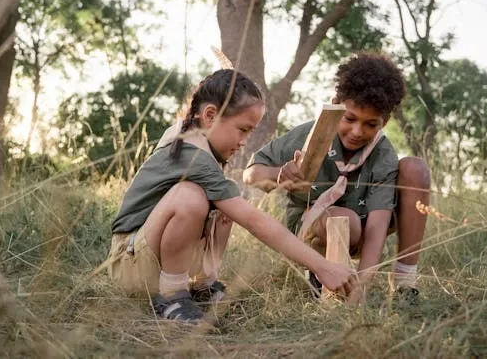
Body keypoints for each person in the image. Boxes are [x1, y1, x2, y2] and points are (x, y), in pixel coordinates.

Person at [107, 69, 356, 323]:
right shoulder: (192, 153)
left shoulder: (194, 135)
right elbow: (253, 220)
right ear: (210, 115)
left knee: (222, 202)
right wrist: (322, 266)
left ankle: (205, 285)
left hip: (148, 257)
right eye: (243, 129)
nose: (244, 142)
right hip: (129, 266)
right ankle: (172, 295)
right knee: (190, 197)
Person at [243, 52, 431, 305]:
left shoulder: (383, 155)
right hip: (311, 230)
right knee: (345, 219)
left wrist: (361, 288)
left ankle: (404, 286)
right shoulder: (310, 135)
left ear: (383, 122)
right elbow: (250, 174)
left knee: (415, 169)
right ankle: (319, 272)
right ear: (336, 105)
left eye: (370, 124)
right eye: (350, 118)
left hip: (362, 231)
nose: (356, 131)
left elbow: (376, 229)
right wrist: (278, 175)